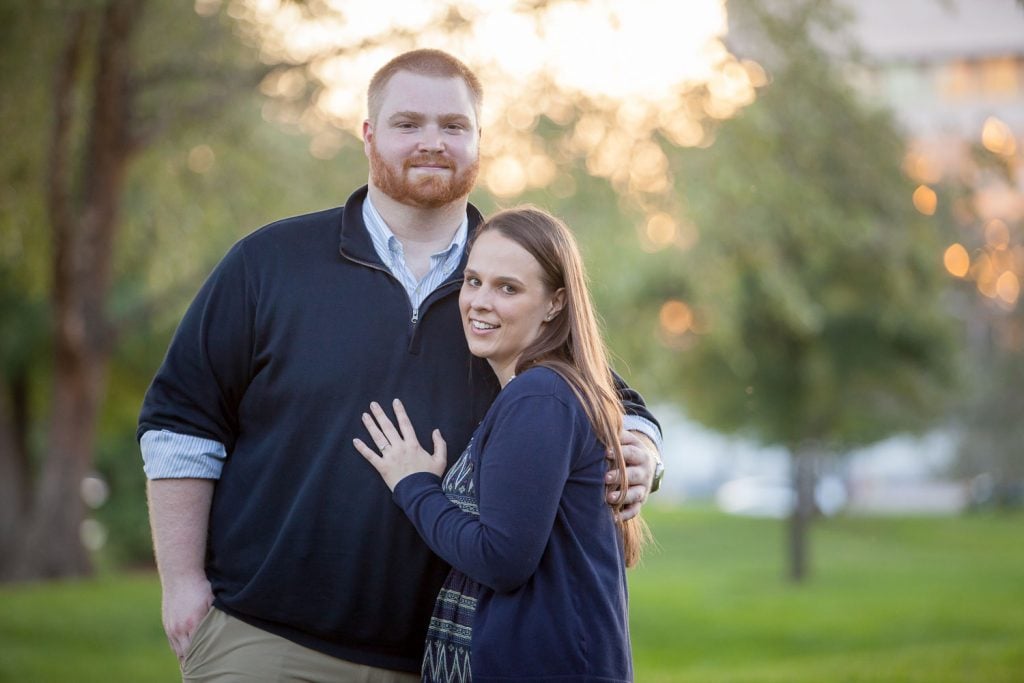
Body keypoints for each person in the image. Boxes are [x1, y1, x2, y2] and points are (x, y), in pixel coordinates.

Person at [139, 48, 663, 681]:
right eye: (408, 123)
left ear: (479, 140)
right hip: (265, 639)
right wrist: (182, 583)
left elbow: (607, 397)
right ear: (368, 135)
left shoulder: (510, 280)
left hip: (439, 658)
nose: (432, 143)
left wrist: (643, 450)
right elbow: (181, 425)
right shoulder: (269, 263)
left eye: (453, 126)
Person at [356, 206, 646, 682]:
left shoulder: (541, 396)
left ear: (555, 303)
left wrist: (414, 486)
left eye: (507, 288)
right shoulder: (541, 390)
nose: (479, 302)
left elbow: (501, 559)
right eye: (473, 282)